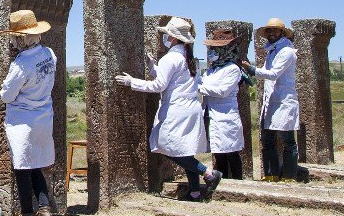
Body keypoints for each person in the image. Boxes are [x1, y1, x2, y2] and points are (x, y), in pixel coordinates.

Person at [115, 16, 220, 202]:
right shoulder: (190, 59)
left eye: (166, 35)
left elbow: (159, 86)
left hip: (176, 110)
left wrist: (132, 82)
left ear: (172, 37)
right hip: (191, 108)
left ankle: (209, 174)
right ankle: (195, 192)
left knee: (166, 147)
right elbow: (171, 79)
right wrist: (152, 66)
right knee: (186, 151)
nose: (164, 38)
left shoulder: (170, 58)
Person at [0, 10, 57, 216]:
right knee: (36, 164)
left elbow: (6, 95)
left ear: (21, 37)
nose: (13, 41)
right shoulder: (49, 54)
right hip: (43, 114)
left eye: (14, 37)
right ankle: (44, 208)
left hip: (23, 119)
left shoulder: (21, 64)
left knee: (22, 166)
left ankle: (26, 213)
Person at [242, 18, 299, 182]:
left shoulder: (287, 51)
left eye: (275, 30)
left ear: (282, 32)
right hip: (272, 99)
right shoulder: (272, 51)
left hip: (283, 100)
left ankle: (289, 175)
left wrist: (251, 69)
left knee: (288, 140)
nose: (271, 33)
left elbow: (273, 74)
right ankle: (271, 174)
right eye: (269, 30)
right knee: (267, 140)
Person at [199, 28, 251, 180]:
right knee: (219, 153)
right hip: (211, 115)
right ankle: (222, 183)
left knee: (231, 153)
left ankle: (237, 183)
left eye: (216, 48)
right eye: (211, 48)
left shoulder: (233, 69)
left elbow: (222, 91)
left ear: (226, 49)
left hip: (225, 116)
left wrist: (199, 87)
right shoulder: (211, 70)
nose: (212, 51)